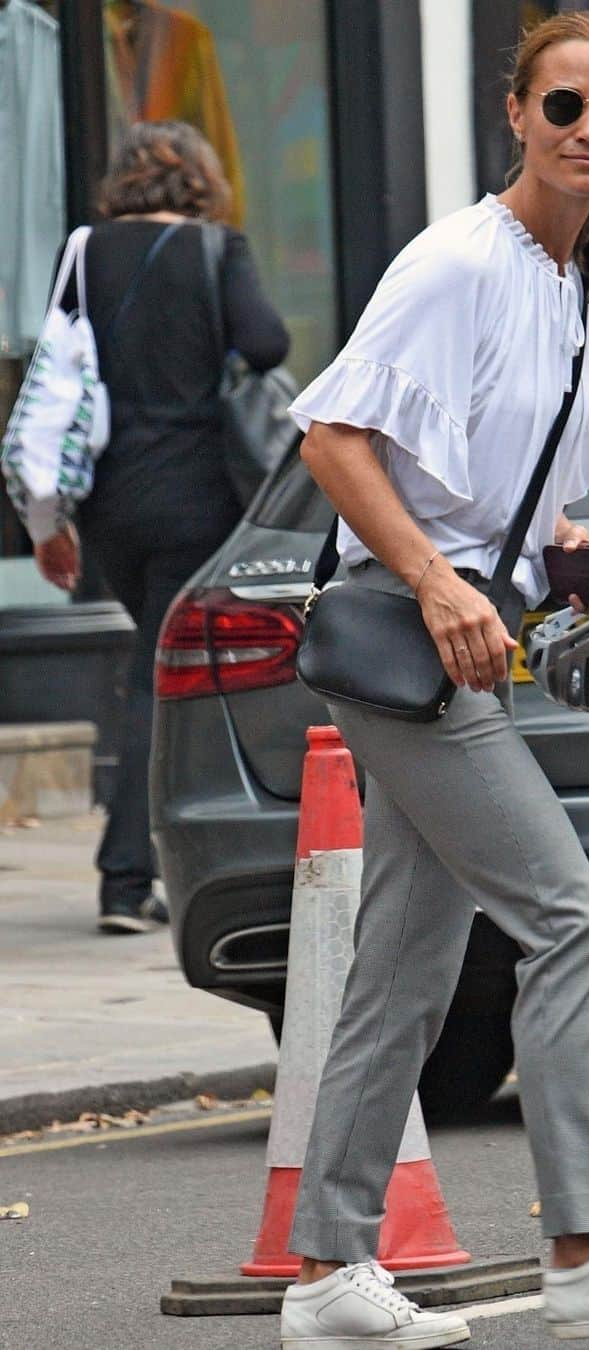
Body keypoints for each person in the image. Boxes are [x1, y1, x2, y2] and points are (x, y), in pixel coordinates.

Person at [279, 12, 589, 1348]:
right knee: (575, 921)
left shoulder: (567, 280)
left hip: (460, 636)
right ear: (516, 114)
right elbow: (331, 439)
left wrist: (573, 553)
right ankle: (583, 1245)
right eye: (566, 108)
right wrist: (435, 579)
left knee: (403, 975)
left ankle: (324, 1274)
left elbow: (505, 500)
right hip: (409, 642)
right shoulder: (460, 263)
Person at [32, 121, 289, 934]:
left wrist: (48, 517)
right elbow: (268, 341)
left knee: (154, 665)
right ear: (201, 179)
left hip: (109, 500)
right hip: (197, 498)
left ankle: (157, 863)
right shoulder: (218, 249)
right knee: (162, 678)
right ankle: (125, 876)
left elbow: (56, 375)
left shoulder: (83, 251)